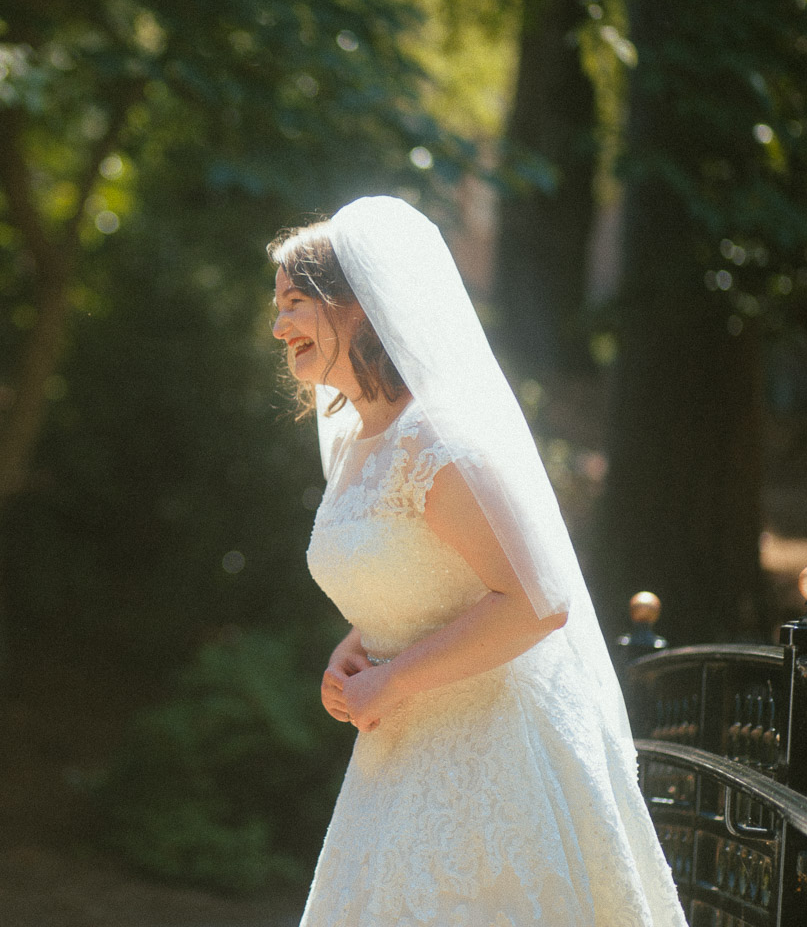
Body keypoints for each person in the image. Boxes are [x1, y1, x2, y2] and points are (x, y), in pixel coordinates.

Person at [269, 196, 686, 926]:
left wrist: (391, 681)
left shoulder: (437, 441)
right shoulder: (359, 446)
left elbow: (537, 601)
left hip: (498, 760)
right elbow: (420, 580)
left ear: (359, 307)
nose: (279, 327)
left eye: (296, 303)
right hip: (399, 761)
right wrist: (355, 653)